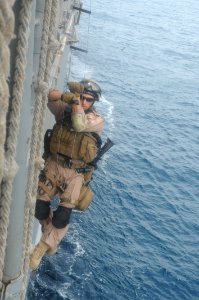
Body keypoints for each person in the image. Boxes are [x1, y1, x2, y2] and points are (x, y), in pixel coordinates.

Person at [30, 79, 105, 270]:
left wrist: (76, 104)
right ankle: (49, 234)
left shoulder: (95, 120)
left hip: (75, 173)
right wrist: (67, 97)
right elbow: (49, 95)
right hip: (54, 164)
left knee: (62, 215)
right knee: (39, 207)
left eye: (89, 99)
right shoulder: (64, 111)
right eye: (82, 98)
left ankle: (42, 247)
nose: (85, 102)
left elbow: (79, 125)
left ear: (94, 102)